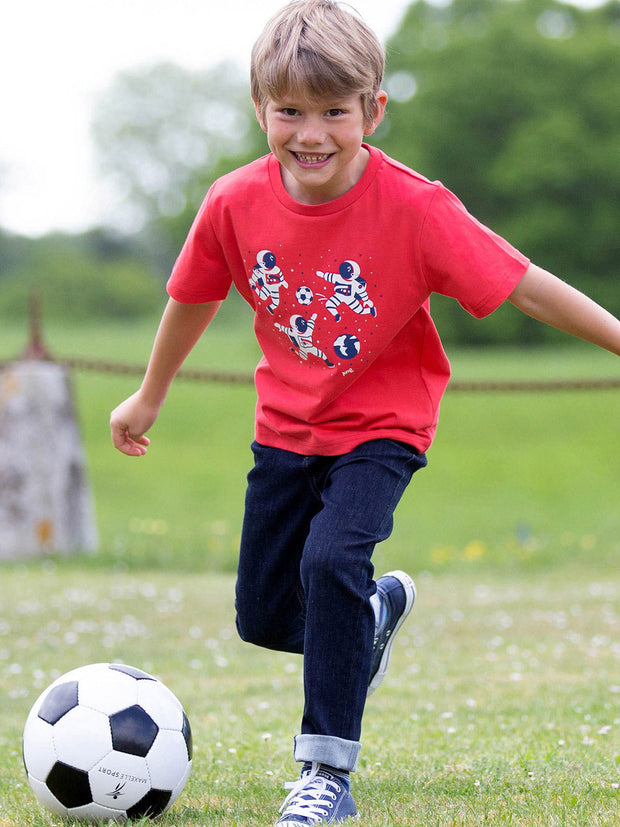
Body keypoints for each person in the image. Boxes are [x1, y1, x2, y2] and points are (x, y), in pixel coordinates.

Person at [110, 1, 620, 823]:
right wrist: (149, 393)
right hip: (285, 427)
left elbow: (524, 283)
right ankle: (372, 614)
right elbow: (189, 299)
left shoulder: (417, 208)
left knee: (328, 563)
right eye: (289, 111)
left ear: (372, 111)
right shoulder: (233, 202)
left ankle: (325, 776)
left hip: (383, 424)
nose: (311, 133)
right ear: (259, 109)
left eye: (333, 112)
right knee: (264, 614)